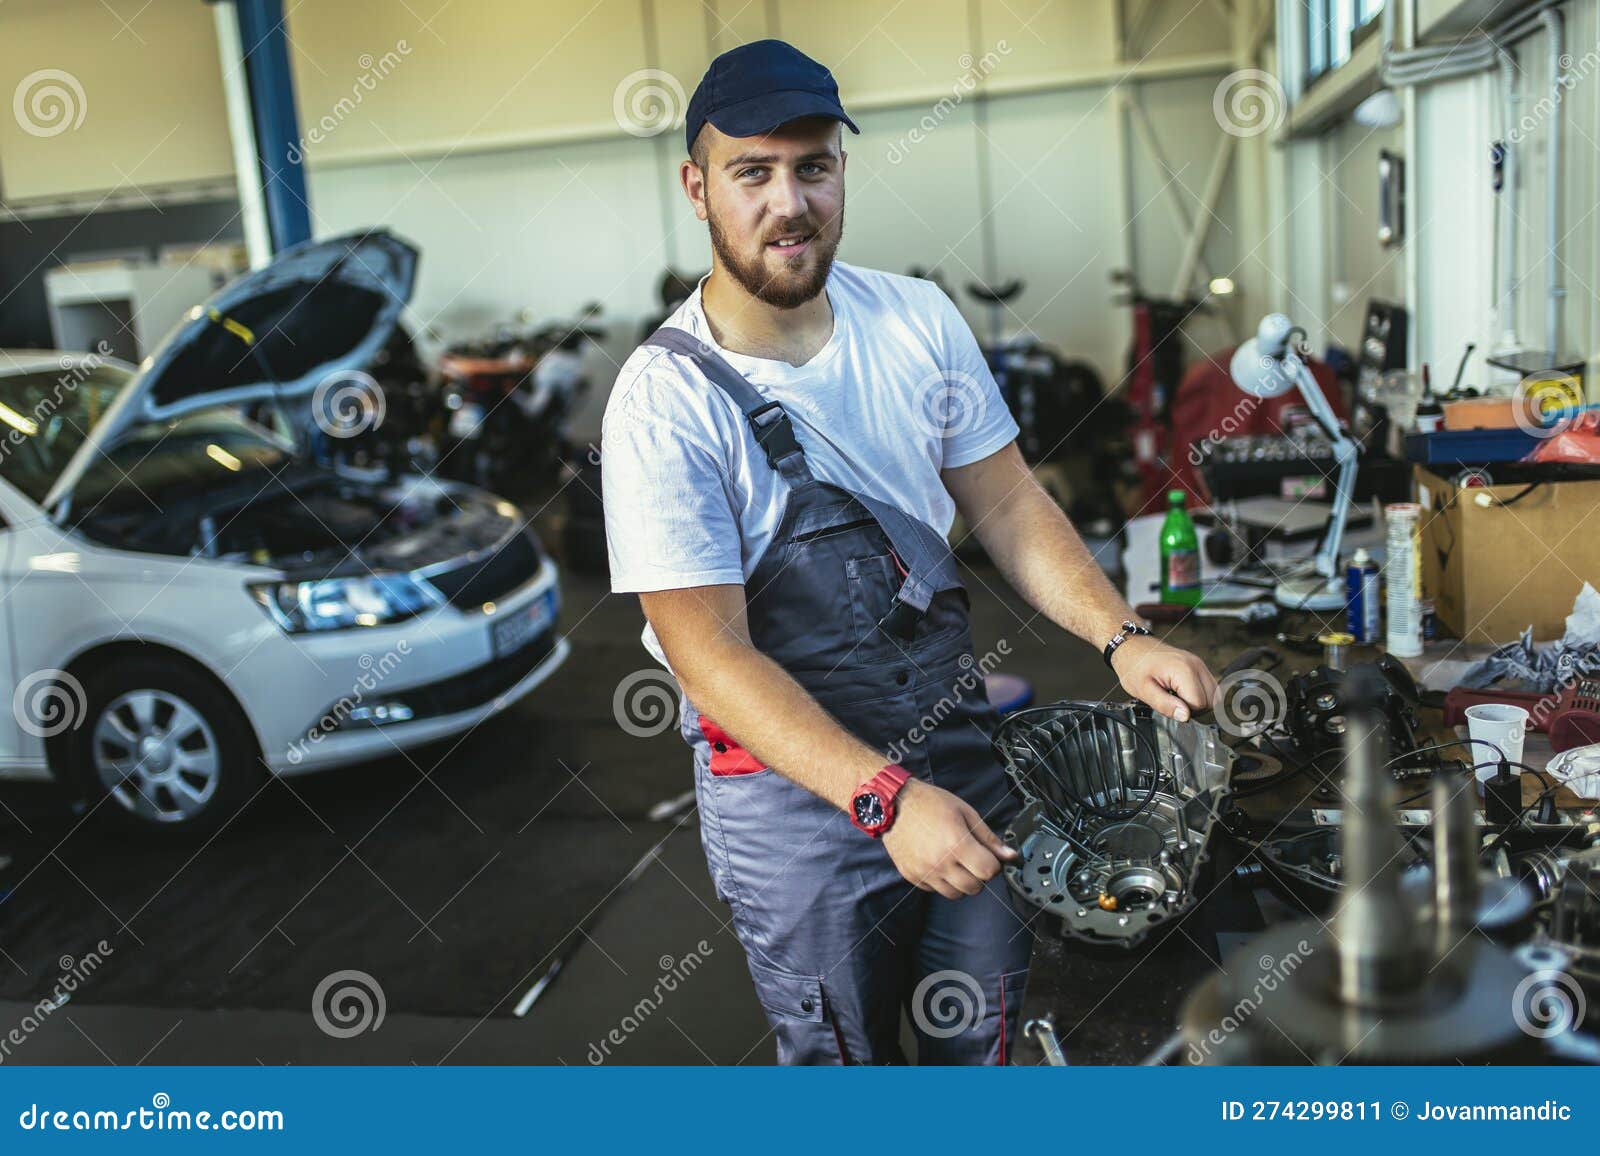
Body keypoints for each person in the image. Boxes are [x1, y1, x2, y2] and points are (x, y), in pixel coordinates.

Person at [600, 39, 1219, 1064]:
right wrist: (879, 798)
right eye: (751, 172)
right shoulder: (662, 402)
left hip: (955, 748)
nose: (788, 202)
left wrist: (1120, 636)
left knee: (978, 1044)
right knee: (849, 1067)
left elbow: (1010, 503)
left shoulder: (916, 322)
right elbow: (707, 652)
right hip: (793, 803)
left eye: (813, 166)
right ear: (696, 187)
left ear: (841, 169)